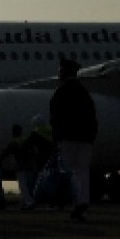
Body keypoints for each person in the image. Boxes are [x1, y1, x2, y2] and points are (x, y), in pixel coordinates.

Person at [49, 59, 98, 222]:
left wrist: (55, 138)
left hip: (67, 137)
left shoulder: (60, 91)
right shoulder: (84, 92)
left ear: (65, 73)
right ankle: (83, 202)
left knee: (70, 170)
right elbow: (92, 116)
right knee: (83, 171)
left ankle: (77, 202)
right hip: (85, 138)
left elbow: (55, 117)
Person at [0, 124, 36, 210]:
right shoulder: (26, 140)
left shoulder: (13, 143)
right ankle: (24, 203)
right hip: (30, 166)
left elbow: (5, 154)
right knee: (28, 186)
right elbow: (33, 152)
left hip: (20, 167)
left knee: (22, 186)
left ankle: (29, 202)